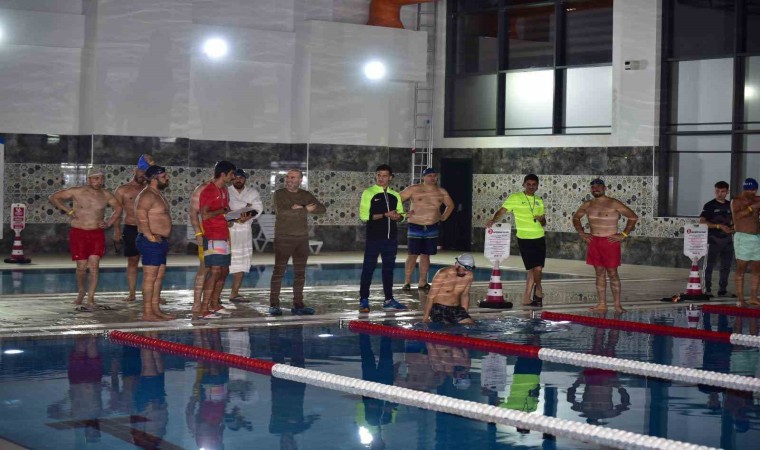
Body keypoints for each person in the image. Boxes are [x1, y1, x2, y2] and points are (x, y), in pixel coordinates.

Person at [48, 167, 123, 311]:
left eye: (101, 178)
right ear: (89, 179)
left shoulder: (106, 195)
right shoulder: (77, 191)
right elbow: (53, 197)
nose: (98, 181)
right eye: (95, 178)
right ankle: (82, 291)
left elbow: (118, 208)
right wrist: (68, 211)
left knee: (94, 267)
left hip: (96, 234)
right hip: (79, 233)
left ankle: (91, 298)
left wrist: (108, 222)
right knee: (81, 268)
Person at [572, 179, 638, 313]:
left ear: (604, 188)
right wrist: (581, 232)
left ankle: (617, 305)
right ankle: (602, 304)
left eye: (598, 186)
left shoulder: (613, 203)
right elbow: (575, 217)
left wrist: (624, 234)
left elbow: (633, 217)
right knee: (599, 273)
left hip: (610, 242)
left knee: (613, 273)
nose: (596, 189)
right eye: (593, 187)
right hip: (594, 241)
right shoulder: (588, 204)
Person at [269, 169, 326, 316]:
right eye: (287, 177)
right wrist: (305, 209)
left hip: (301, 239)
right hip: (283, 237)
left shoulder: (305, 195)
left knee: (300, 273)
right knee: (279, 272)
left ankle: (298, 304)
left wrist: (300, 208)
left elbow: (322, 209)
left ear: (300, 180)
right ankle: (274, 304)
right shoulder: (279, 194)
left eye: (293, 177)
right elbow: (282, 212)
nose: (289, 180)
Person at [485, 174, 546, 307]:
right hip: (524, 238)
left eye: (534, 185)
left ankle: (535, 291)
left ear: (537, 186)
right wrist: (493, 220)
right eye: (528, 184)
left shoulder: (539, 200)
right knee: (532, 268)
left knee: (537, 268)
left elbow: (543, 222)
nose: (531, 187)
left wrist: (542, 219)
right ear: (524, 185)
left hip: (539, 237)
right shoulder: (515, 198)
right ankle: (533, 293)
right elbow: (502, 211)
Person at [358, 164, 408, 313]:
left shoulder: (395, 195)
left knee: (388, 270)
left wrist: (398, 217)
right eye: (379, 175)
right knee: (368, 269)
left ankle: (389, 300)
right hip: (374, 238)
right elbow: (364, 216)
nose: (381, 178)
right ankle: (364, 299)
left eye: (384, 175)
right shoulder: (368, 193)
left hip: (391, 239)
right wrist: (385, 215)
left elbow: (401, 216)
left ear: (390, 178)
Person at [399, 167, 454, 291]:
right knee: (412, 254)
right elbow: (396, 199)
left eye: (434, 176)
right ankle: (407, 281)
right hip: (415, 225)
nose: (432, 178)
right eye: (429, 176)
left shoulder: (441, 192)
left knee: (426, 255)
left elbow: (450, 205)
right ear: (423, 177)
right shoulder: (414, 189)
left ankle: (423, 282)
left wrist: (444, 216)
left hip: (431, 226)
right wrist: (403, 214)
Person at [135, 165, 174, 321]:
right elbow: (141, 215)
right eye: (164, 176)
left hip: (160, 241)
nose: (167, 178)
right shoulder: (147, 195)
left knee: (158, 277)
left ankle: (155, 309)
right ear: (153, 179)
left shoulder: (157, 194)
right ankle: (147, 312)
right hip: (150, 242)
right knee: (150, 278)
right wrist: (149, 236)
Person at [113, 154, 154, 302]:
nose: (143, 175)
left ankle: (152, 294)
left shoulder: (151, 190)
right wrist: (117, 230)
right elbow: (117, 212)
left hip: (149, 229)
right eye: (141, 171)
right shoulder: (123, 190)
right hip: (131, 228)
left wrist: (152, 164)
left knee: (152, 262)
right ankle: (132, 293)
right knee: (132, 260)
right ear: (135, 171)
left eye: (146, 172)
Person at [199, 161, 237, 319]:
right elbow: (205, 215)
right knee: (215, 272)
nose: (233, 177)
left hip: (223, 234)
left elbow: (225, 210)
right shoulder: (208, 190)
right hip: (213, 235)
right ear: (223, 174)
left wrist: (231, 218)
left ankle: (215, 304)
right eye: (231, 174)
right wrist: (221, 211)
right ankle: (204, 308)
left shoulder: (224, 190)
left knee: (224, 271)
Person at [227, 169, 263, 304]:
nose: (238, 180)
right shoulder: (226, 191)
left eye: (241, 178)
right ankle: (215, 296)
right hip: (228, 231)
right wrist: (246, 206)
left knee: (241, 264)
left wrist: (236, 211)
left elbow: (258, 209)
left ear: (245, 179)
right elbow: (225, 210)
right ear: (232, 178)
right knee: (222, 264)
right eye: (236, 177)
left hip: (244, 231)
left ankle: (234, 294)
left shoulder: (252, 192)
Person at [699, 181, 735, 297]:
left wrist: (733, 227)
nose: (720, 194)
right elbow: (702, 222)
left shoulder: (731, 205)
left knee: (726, 266)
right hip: (713, 240)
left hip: (727, 240)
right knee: (709, 266)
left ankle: (722, 290)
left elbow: (735, 221)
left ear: (727, 192)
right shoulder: (710, 205)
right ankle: (707, 289)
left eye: (722, 191)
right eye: (717, 191)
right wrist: (718, 226)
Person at [730, 178, 760, 307]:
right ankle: (741, 299)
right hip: (743, 238)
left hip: (757, 238)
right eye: (750, 190)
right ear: (744, 190)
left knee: (757, 270)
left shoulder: (757, 200)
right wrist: (751, 208)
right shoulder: (736, 201)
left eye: (754, 191)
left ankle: (753, 297)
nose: (753, 193)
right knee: (741, 269)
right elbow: (737, 217)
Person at [422, 253, 475, 324]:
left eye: (467, 270)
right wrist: (425, 317)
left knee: (470, 325)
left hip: (456, 309)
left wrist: (464, 313)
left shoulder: (469, 275)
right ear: (457, 265)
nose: (465, 272)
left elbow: (465, 295)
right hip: (439, 309)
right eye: (464, 269)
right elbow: (431, 296)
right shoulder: (442, 274)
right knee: (447, 327)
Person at [189, 178, 212, 321]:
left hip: (221, 233)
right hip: (207, 232)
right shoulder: (203, 188)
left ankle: (209, 302)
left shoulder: (223, 190)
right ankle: (197, 303)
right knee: (205, 267)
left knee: (217, 269)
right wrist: (198, 233)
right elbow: (193, 212)